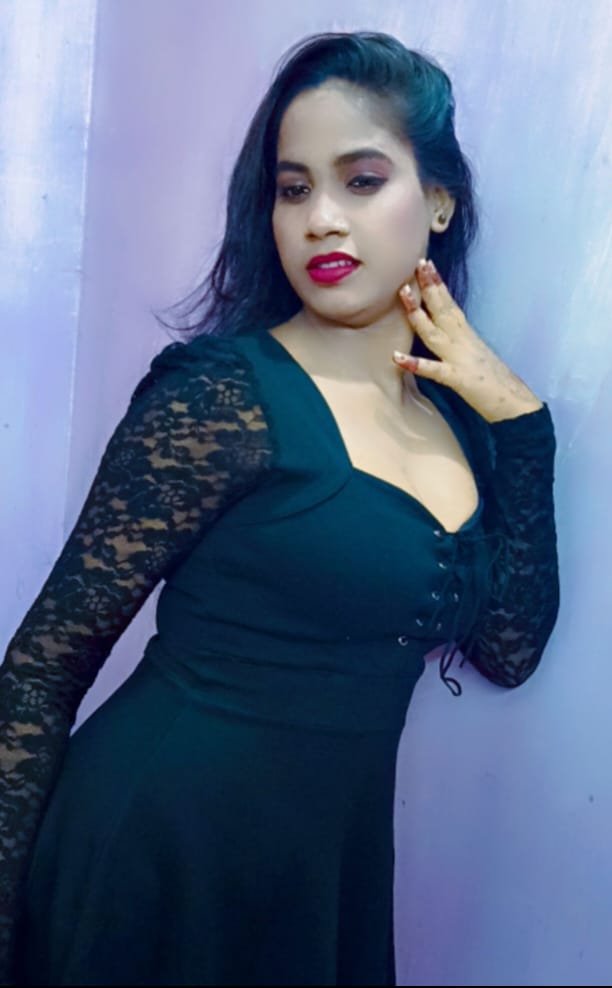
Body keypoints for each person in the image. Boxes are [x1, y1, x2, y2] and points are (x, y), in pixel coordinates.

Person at [0, 30, 559, 987]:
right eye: (294, 189)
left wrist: (524, 427)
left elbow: (509, 650)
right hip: (152, 862)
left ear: (438, 200)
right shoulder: (220, 396)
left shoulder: (464, 430)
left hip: (320, 886)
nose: (320, 220)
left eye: (361, 180)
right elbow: (43, 667)